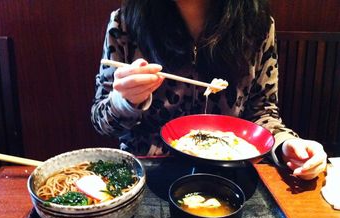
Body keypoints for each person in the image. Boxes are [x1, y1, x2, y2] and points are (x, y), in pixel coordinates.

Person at [91, 0, 327, 180]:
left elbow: (262, 112)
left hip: (229, 173)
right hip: (149, 173)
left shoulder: (257, 24)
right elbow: (101, 122)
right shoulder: (125, 23)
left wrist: (286, 145)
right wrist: (125, 101)